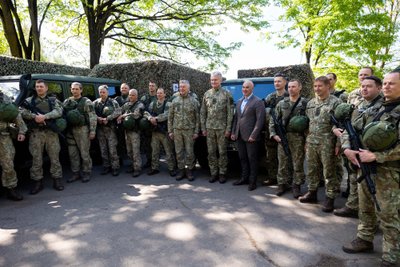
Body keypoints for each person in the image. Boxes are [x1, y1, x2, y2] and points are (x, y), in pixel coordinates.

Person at [342, 71, 400, 267]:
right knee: (365, 205)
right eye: (384, 83)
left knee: (388, 214)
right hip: (365, 165)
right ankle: (365, 238)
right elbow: (356, 130)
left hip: (390, 172)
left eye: (391, 84)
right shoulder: (379, 109)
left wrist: (378, 156)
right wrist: (348, 149)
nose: (386, 87)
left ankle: (392, 255)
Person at [333, 76, 383, 218]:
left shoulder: (384, 106)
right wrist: (347, 149)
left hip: (372, 155)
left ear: (379, 88)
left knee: (373, 187)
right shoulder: (358, 106)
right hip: (354, 151)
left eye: (369, 86)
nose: (364, 89)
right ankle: (353, 206)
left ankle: (377, 219)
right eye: (362, 86)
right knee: (355, 180)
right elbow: (347, 130)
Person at [299, 76, 342, 212]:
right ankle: (312, 192)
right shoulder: (311, 103)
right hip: (312, 141)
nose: (317, 88)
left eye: (320, 86)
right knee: (312, 169)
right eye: (315, 86)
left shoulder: (336, 103)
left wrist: (338, 145)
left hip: (328, 142)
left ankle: (330, 197)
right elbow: (308, 123)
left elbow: (341, 126)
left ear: (328, 86)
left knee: (329, 171)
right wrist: (306, 140)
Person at [20, 79, 64, 194]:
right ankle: (37, 182)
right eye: (37, 86)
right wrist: (34, 116)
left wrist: (45, 117)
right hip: (36, 134)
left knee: (54, 157)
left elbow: (59, 112)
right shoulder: (29, 101)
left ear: (46, 88)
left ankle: (57, 180)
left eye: (41, 86)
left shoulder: (53, 100)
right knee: (36, 159)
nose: (39, 88)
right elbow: (21, 112)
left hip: (51, 133)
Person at [269, 79, 308, 197]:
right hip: (283, 136)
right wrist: (274, 134)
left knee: (298, 162)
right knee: (283, 162)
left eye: (294, 87)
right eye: (289, 87)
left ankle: (296, 185)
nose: (291, 89)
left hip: (298, 138)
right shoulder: (282, 103)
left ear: (299, 87)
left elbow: (310, 123)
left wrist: (307, 140)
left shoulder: (305, 103)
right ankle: (282, 184)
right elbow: (273, 120)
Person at [231, 80, 266, 191]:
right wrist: (233, 132)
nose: (244, 89)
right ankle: (244, 178)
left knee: (252, 159)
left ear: (252, 89)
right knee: (242, 158)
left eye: (247, 87)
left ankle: (252, 181)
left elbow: (260, 121)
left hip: (251, 137)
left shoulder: (258, 101)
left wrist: (254, 135)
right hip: (239, 136)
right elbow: (236, 119)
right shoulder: (239, 101)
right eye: (243, 87)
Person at [200, 71, 234, 183]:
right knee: (211, 152)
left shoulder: (226, 94)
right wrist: (203, 128)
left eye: (215, 80)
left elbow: (230, 113)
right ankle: (213, 173)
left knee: (223, 152)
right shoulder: (206, 94)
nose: (213, 82)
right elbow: (203, 112)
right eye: (212, 80)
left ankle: (222, 173)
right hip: (210, 128)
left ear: (220, 81)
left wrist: (228, 129)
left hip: (222, 129)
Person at [63, 82, 97, 183]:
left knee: (84, 152)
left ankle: (86, 172)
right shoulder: (67, 101)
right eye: (73, 89)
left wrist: (92, 131)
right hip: (70, 130)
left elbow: (92, 116)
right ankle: (75, 173)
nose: (74, 91)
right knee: (72, 153)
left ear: (81, 90)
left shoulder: (86, 102)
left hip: (82, 129)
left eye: (77, 89)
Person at [168, 80, 200, 181]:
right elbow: (170, 117)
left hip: (189, 130)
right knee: (179, 151)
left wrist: (196, 131)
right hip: (177, 130)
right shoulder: (174, 100)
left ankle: (189, 170)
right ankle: (181, 170)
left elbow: (197, 118)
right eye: (180, 87)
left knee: (190, 152)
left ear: (188, 88)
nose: (181, 89)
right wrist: (170, 131)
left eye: (184, 87)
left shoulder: (194, 101)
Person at [144, 88, 176, 177]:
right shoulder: (153, 103)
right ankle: (154, 168)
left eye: (161, 93)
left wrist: (156, 119)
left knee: (168, 151)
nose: (159, 95)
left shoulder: (168, 104)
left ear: (165, 94)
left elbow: (167, 115)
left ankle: (171, 168)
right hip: (155, 131)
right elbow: (146, 112)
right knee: (154, 150)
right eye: (158, 93)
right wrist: (150, 118)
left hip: (164, 132)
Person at [0, 91, 27, 200]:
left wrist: (21, 131)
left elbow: (16, 114)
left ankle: (11, 189)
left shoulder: (4, 99)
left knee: (8, 165)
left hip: (4, 137)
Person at [263, 73, 289, 186]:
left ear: (285, 82)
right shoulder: (271, 97)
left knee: (286, 158)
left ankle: (286, 180)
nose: (276, 83)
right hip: (271, 131)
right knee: (271, 156)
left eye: (279, 81)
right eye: (275, 81)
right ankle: (272, 177)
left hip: (285, 132)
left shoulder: (289, 96)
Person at [93, 85, 122, 176]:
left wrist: (108, 118)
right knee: (103, 149)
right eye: (100, 92)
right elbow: (91, 113)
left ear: (107, 92)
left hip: (110, 129)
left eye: (104, 92)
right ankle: (106, 166)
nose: (102, 94)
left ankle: (115, 167)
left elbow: (118, 111)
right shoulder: (95, 103)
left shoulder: (112, 102)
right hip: (100, 129)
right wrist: (98, 118)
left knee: (112, 149)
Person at [117, 89, 145, 177]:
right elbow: (119, 111)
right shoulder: (127, 104)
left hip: (135, 132)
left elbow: (135, 115)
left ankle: (137, 168)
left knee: (135, 151)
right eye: (130, 95)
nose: (131, 97)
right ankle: (133, 165)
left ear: (136, 96)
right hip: (127, 131)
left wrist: (123, 115)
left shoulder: (140, 105)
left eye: (133, 95)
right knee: (129, 151)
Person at [140, 81, 158, 168]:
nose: (151, 87)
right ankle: (149, 160)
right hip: (146, 125)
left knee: (156, 145)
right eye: (150, 86)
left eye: (153, 86)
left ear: (156, 87)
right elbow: (141, 110)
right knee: (147, 144)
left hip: (156, 124)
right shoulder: (144, 98)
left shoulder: (158, 97)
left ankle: (156, 162)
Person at [114, 83, 130, 165]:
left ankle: (131, 161)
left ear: (128, 89)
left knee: (129, 142)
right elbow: (114, 110)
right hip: (119, 124)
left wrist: (122, 116)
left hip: (129, 123)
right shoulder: (117, 99)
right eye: (122, 88)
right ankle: (120, 159)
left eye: (125, 88)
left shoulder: (131, 98)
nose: (124, 89)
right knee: (119, 141)